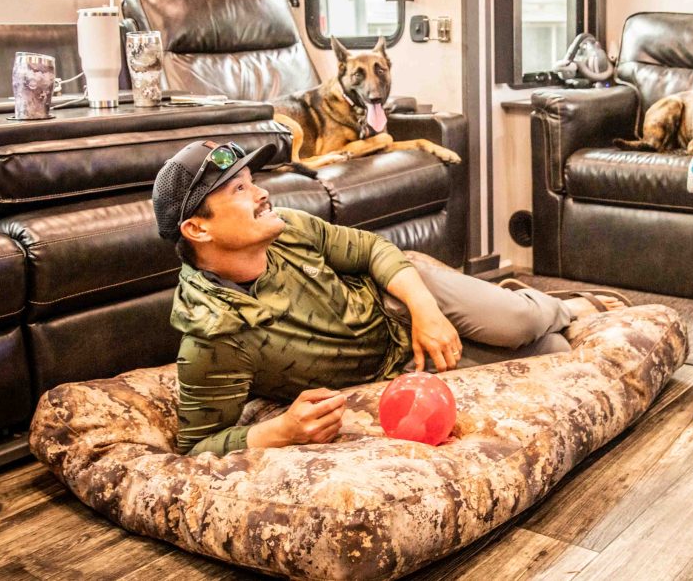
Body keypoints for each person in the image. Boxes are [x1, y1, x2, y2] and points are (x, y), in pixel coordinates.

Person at [151, 141, 625, 456]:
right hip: (393, 365)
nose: (261, 193)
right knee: (552, 352)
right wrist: (279, 432)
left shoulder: (289, 227)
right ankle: (522, 309)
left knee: (523, 322)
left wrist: (425, 310)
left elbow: (373, 249)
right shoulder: (213, 338)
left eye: (253, 180)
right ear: (198, 229)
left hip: (400, 294)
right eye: (240, 189)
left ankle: (566, 304)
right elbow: (197, 445)